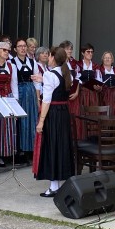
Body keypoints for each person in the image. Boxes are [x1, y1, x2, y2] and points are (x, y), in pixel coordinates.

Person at [34, 47, 75, 197]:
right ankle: (56, 185)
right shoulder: (65, 73)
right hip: (63, 113)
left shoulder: (50, 74)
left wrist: (41, 121)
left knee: (52, 146)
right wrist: (42, 79)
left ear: (52, 57)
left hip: (54, 114)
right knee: (60, 146)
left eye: (49, 55)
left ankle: (53, 186)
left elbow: (46, 100)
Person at [0, 41, 18, 168]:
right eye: (5, 50)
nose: (7, 53)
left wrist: (15, 102)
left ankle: (3, 154)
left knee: (5, 128)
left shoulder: (11, 66)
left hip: (7, 97)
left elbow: (14, 85)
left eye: (8, 50)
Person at [12, 38, 40, 162]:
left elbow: (37, 82)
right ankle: (20, 150)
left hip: (31, 93)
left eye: (24, 46)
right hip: (20, 93)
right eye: (19, 46)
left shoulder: (32, 62)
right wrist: (16, 99)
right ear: (15, 49)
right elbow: (13, 82)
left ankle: (31, 150)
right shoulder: (12, 63)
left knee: (31, 120)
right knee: (21, 122)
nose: (23, 48)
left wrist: (38, 97)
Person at [77, 43, 101, 108]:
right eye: (88, 51)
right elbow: (76, 78)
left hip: (93, 94)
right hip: (82, 93)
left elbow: (98, 79)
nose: (90, 54)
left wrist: (98, 86)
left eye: (91, 52)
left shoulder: (95, 66)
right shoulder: (78, 64)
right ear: (83, 53)